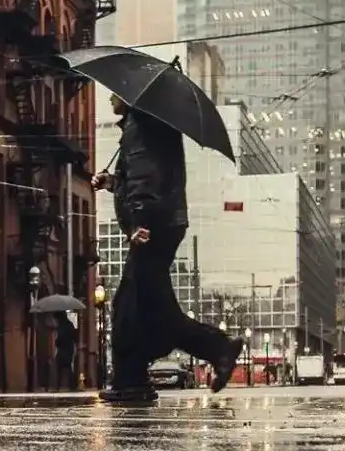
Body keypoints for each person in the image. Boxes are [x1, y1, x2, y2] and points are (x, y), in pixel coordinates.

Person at [95, 97, 241, 405]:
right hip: (161, 222)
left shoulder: (142, 125)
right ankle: (134, 378)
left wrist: (139, 223)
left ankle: (135, 379)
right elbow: (144, 177)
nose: (110, 97)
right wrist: (112, 182)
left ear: (129, 97)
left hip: (152, 226)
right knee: (143, 305)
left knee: (134, 306)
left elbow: (147, 180)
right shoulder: (146, 123)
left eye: (114, 93)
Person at [53, 310, 78, 392]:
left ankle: (58, 386)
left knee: (59, 367)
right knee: (68, 367)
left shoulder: (61, 326)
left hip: (63, 349)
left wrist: (56, 342)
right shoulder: (70, 324)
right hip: (70, 348)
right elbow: (74, 336)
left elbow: (60, 339)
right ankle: (72, 386)